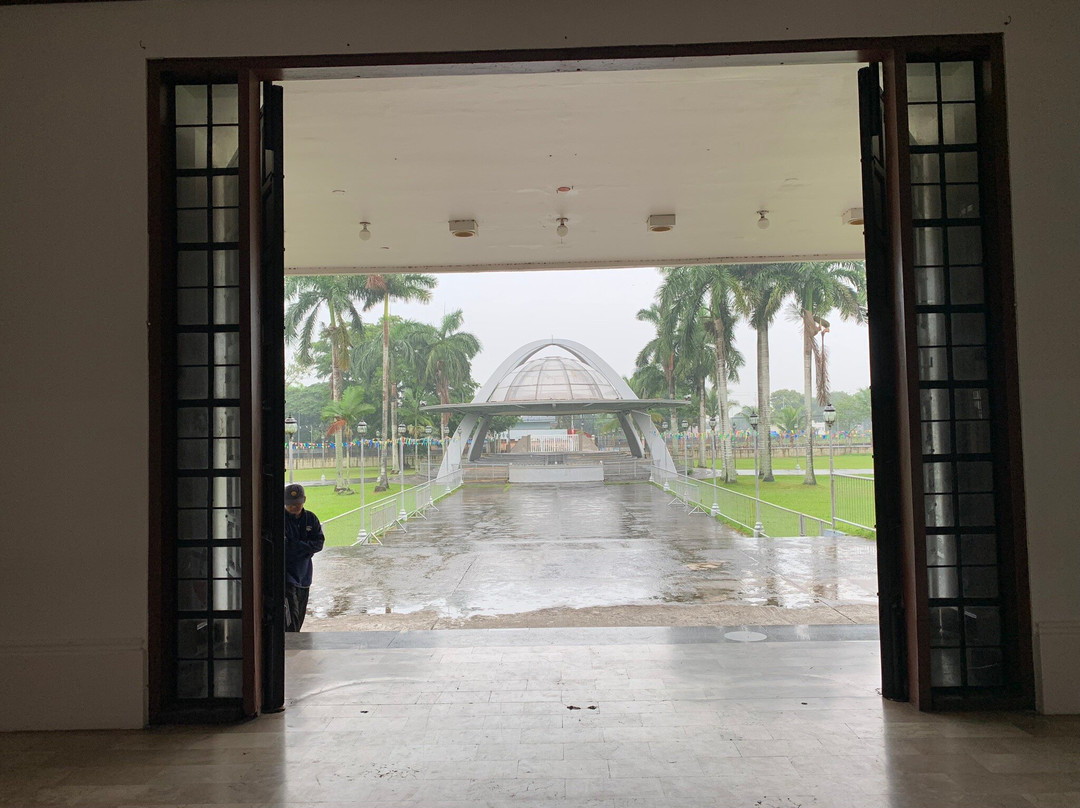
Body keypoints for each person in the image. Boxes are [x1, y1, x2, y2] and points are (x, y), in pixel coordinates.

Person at [284, 483, 325, 631]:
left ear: (304, 500)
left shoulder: (311, 519)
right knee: (291, 616)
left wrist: (298, 546)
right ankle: (291, 648)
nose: (294, 507)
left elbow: (319, 543)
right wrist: (307, 548)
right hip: (286, 576)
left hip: (305, 575)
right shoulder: (280, 520)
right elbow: (285, 547)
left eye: (297, 504)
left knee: (300, 615)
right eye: (290, 504)